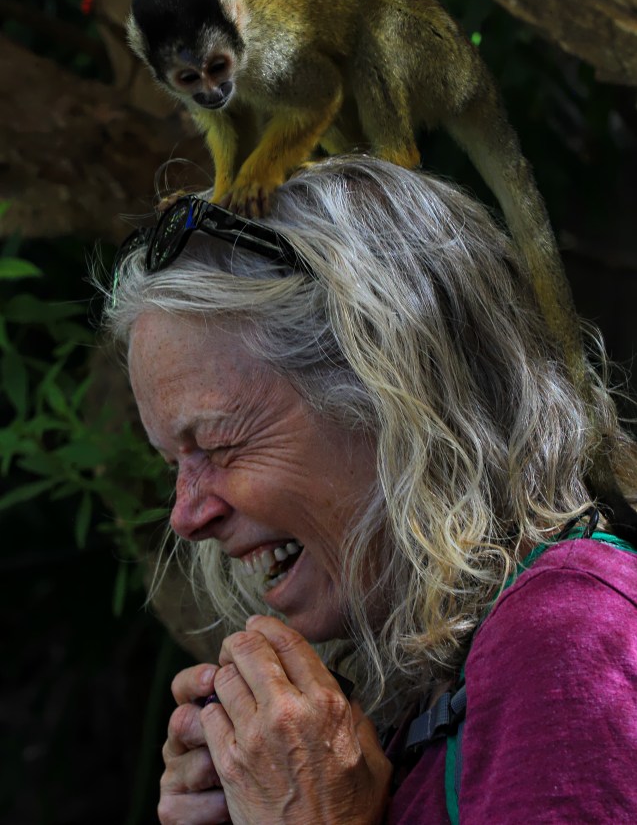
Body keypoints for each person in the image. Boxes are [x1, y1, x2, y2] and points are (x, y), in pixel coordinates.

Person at [104, 156, 637, 824]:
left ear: (396, 399)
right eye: (172, 465)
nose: (186, 516)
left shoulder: (567, 637)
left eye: (217, 445)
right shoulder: (428, 684)